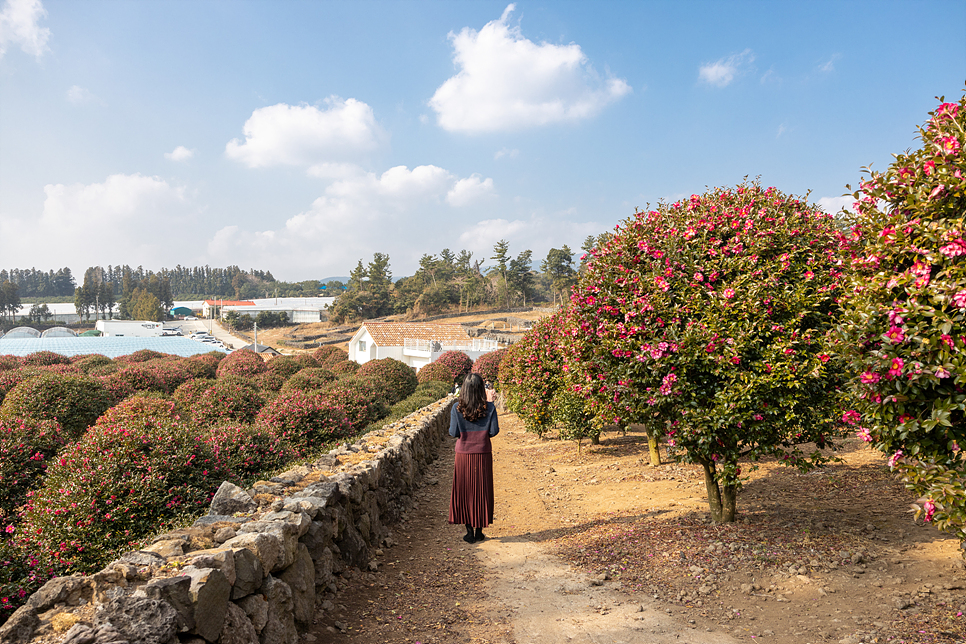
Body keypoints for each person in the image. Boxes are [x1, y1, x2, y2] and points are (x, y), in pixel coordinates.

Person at [448, 372, 499, 543]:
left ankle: (469, 532)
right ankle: (479, 531)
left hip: (463, 456)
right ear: (480, 389)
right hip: (483, 455)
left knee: (465, 491)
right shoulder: (490, 408)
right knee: (481, 491)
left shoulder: (456, 408)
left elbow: (453, 432)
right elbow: (493, 431)